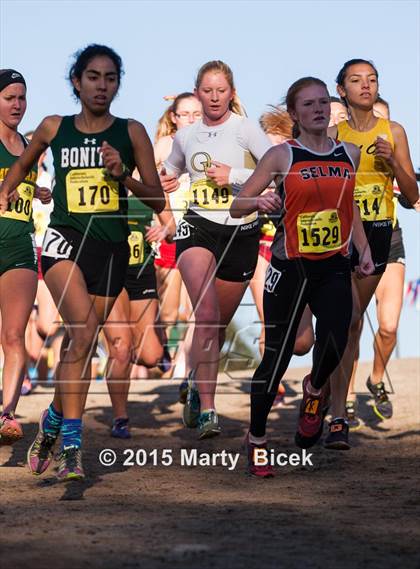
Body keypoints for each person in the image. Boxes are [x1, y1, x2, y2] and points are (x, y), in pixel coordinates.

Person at [0, 45, 164, 480]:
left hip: (109, 250)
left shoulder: (132, 132)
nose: (101, 85)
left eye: (110, 77)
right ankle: (72, 446)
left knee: (81, 347)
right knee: (84, 331)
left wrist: (122, 176)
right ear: (77, 81)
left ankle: (54, 420)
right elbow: (21, 165)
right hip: (63, 242)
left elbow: (157, 198)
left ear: (118, 83)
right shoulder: (55, 127)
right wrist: (8, 189)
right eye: (93, 76)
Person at [230, 76, 374, 477]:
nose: (318, 109)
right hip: (289, 267)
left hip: (332, 264)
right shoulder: (281, 155)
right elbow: (239, 206)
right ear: (294, 114)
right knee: (276, 358)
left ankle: (314, 390)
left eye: (323, 102)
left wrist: (362, 249)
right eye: (308, 104)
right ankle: (258, 441)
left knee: (337, 335)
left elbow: (351, 209)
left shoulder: (350, 154)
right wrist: (259, 199)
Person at [161, 60, 271, 439]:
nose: (213, 97)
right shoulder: (186, 135)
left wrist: (235, 177)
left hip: (241, 232)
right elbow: (172, 170)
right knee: (205, 314)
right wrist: (169, 180)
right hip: (198, 227)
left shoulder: (246, 131)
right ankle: (209, 410)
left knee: (218, 324)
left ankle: (194, 383)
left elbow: (276, 169)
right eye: (206, 90)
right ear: (197, 90)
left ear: (232, 94)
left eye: (220, 90)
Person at [326, 59, 418, 449]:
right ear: (342, 90)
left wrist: (393, 160)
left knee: (352, 322)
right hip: (338, 236)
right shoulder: (332, 134)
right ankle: (336, 414)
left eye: (372, 79)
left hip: (380, 233)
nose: (366, 86)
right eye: (356, 80)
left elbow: (413, 196)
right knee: (344, 321)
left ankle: (335, 400)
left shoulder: (393, 130)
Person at [0, 69, 52, 443]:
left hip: (19, 244)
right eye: (9, 98)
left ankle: (7, 414)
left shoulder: (29, 147)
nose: (17, 105)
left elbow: (21, 186)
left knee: (14, 335)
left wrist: (37, 194)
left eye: (22, 98)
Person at [103, 193, 175, 439]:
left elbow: (172, 227)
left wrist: (163, 230)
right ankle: (120, 418)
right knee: (121, 348)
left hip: (142, 273)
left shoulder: (151, 182)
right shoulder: (104, 177)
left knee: (152, 356)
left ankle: (121, 357)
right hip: (110, 270)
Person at [153, 93, 202, 379]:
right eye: (185, 113)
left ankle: (187, 368)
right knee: (169, 314)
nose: (192, 119)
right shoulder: (164, 145)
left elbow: (237, 112)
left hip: (199, 232)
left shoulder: (212, 141)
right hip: (169, 234)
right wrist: (160, 220)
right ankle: (163, 350)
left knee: (193, 309)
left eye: (197, 113)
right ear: (174, 117)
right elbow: (143, 183)